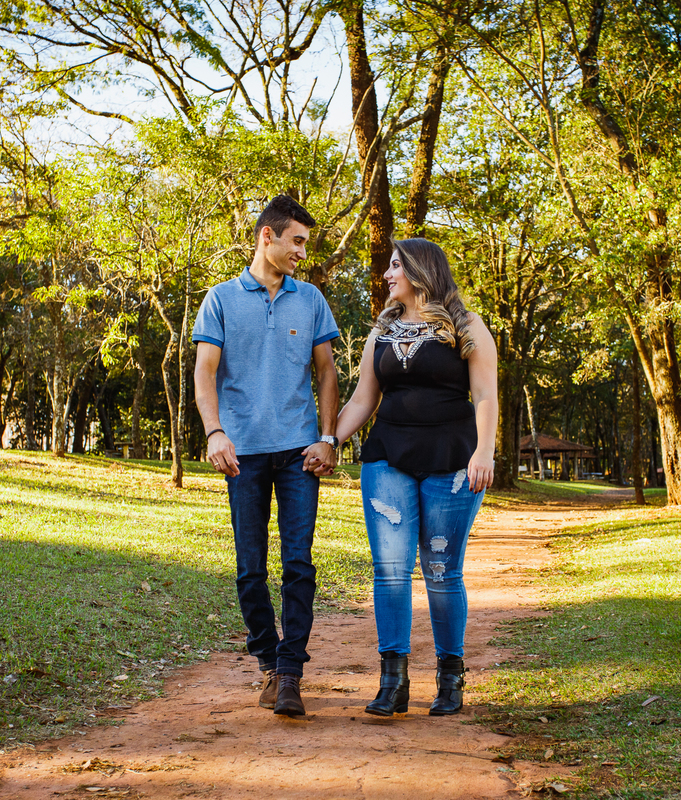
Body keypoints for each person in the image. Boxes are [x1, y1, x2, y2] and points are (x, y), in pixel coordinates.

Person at [328, 237, 498, 717]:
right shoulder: (381, 331)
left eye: (395, 265)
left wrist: (484, 452)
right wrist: (330, 441)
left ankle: (450, 680)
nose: (386, 274)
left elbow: (485, 395)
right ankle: (393, 681)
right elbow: (364, 400)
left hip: (453, 461)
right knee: (390, 571)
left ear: (421, 270)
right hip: (388, 460)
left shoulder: (466, 325)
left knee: (441, 572)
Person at [192, 195, 340, 717]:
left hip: (300, 452)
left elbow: (327, 372)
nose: (302, 251)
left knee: (298, 564)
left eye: (305, 242)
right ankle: (268, 665)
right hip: (243, 455)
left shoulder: (312, 299)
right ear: (267, 237)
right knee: (250, 570)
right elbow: (204, 373)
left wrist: (327, 436)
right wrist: (214, 432)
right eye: (296, 241)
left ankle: (291, 674)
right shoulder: (220, 299)